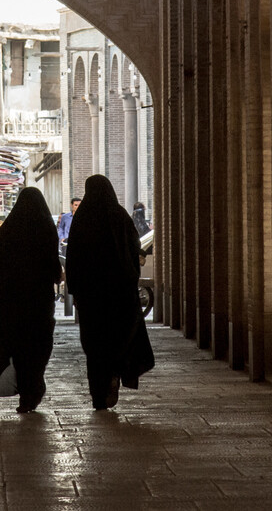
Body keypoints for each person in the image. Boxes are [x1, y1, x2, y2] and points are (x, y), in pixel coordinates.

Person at [65, 175, 155, 410]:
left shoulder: (82, 219)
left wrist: (74, 291)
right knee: (116, 338)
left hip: (90, 297)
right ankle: (114, 375)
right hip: (118, 295)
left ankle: (98, 393)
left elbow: (72, 258)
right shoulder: (119, 216)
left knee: (94, 346)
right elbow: (134, 251)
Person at [0, 187, 63, 414]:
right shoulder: (46, 228)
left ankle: (28, 393)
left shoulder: (9, 229)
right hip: (39, 303)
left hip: (11, 303)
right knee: (37, 347)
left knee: (18, 347)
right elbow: (53, 266)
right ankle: (32, 389)